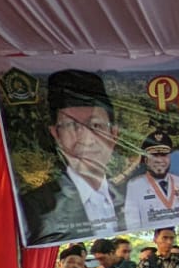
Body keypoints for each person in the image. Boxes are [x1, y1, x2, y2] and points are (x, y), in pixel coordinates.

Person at [20, 69, 123, 244]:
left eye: (95, 125)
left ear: (114, 133)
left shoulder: (130, 196)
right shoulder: (36, 209)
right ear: (56, 135)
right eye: (70, 125)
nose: (85, 139)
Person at [122, 130, 179, 232]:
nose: (159, 160)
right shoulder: (135, 185)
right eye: (155, 155)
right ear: (146, 159)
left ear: (169, 158)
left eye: (164, 155)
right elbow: (132, 223)